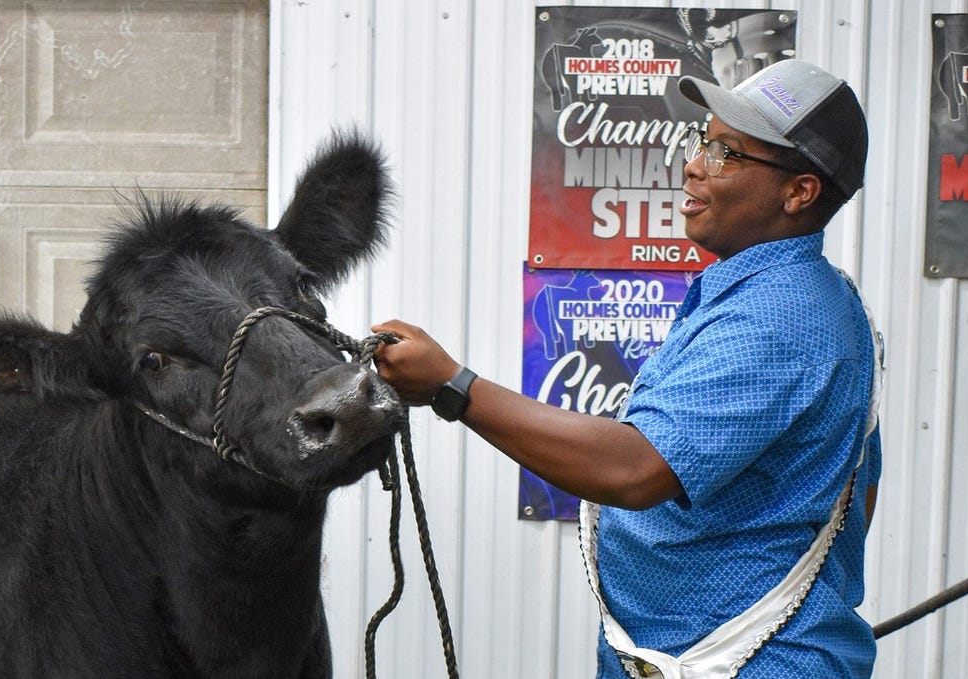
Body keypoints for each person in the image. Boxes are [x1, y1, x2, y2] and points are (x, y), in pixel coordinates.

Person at [372, 58, 881, 678]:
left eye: (727, 153)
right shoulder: (808, 298)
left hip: (744, 663)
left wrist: (452, 386)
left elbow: (633, 467)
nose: (694, 165)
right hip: (687, 655)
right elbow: (860, 487)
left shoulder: (782, 319)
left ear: (799, 192)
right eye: (703, 140)